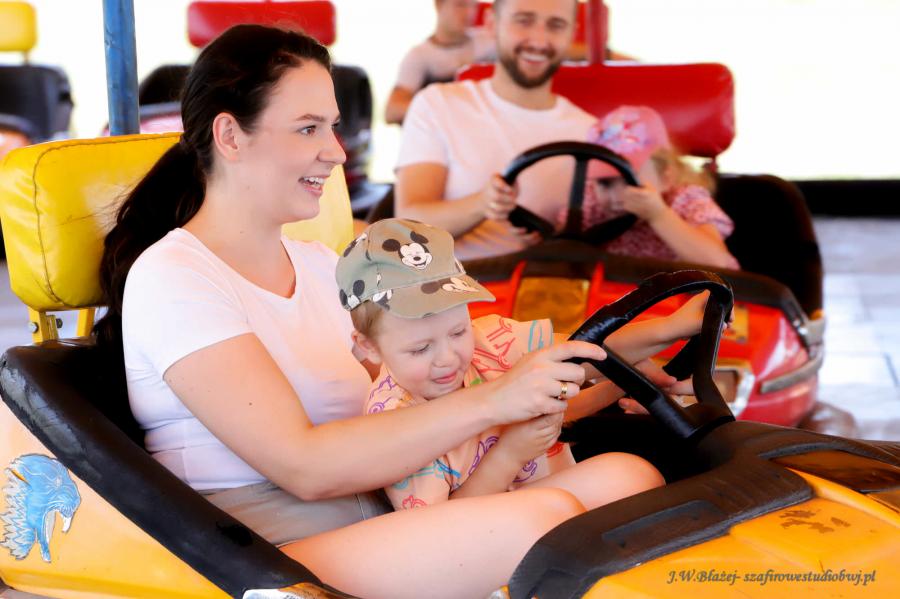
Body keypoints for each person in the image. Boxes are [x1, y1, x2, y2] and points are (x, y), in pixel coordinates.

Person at [95, 24, 614, 599]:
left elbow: (424, 384)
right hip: (260, 550)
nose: (337, 152)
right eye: (308, 128)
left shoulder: (324, 266)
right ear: (230, 136)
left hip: (382, 511)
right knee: (539, 524)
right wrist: (495, 400)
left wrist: (612, 370)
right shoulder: (174, 276)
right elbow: (305, 466)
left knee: (623, 480)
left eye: (333, 127)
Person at [338, 219, 708, 513]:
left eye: (457, 331)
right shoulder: (394, 425)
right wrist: (511, 453)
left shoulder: (489, 341)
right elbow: (444, 532)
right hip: (494, 534)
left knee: (670, 457)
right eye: (421, 348)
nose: (447, 357)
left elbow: (585, 350)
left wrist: (670, 329)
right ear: (369, 346)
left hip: (548, 493)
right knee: (626, 476)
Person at [394, 0, 596, 261]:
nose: (539, 41)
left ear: (571, 34)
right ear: (492, 24)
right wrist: (482, 204)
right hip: (456, 281)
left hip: (559, 280)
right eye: (524, 21)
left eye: (556, 25)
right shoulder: (437, 104)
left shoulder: (590, 131)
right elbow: (408, 227)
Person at [563, 105, 740, 269]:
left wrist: (658, 215)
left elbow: (718, 264)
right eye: (605, 183)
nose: (617, 196)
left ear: (666, 177)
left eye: (629, 181)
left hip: (680, 290)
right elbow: (561, 246)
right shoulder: (591, 201)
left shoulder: (686, 200)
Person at [385, 0, 495, 125]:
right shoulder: (420, 56)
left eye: (474, 6)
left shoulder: (490, 43)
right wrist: (444, 108)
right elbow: (392, 111)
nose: (469, 12)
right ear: (439, 5)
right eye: (460, 5)